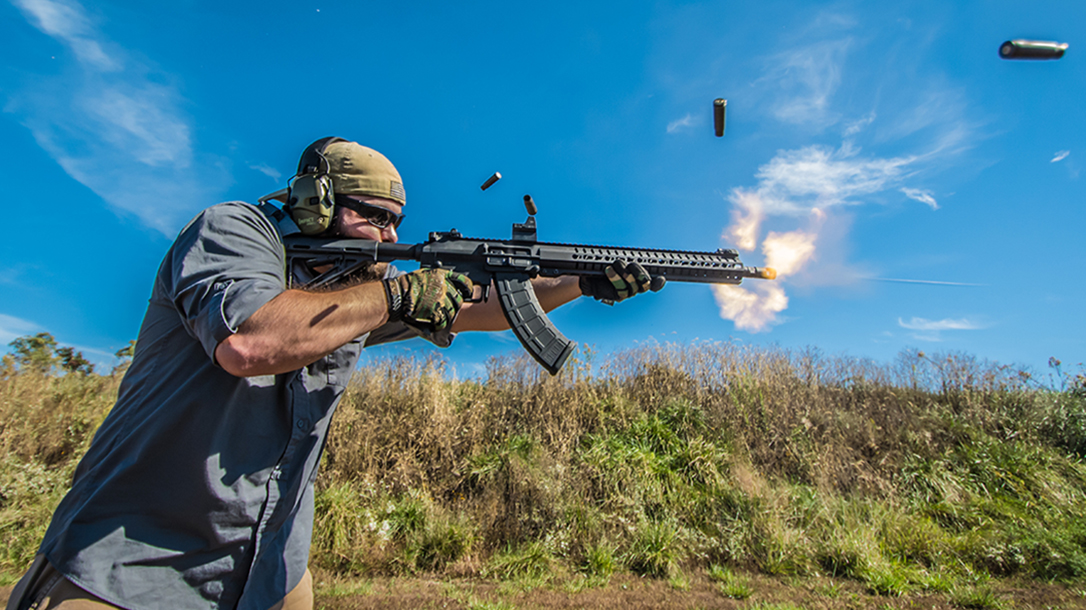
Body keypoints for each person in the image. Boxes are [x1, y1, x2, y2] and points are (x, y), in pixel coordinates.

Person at [5, 137, 662, 610]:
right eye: (369, 215)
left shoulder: (358, 292)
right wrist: (398, 295)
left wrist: (580, 282)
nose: (385, 238)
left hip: (270, 566)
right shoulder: (233, 232)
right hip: (133, 560)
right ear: (313, 205)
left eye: (395, 223)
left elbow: (481, 311)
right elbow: (251, 341)